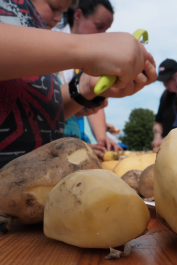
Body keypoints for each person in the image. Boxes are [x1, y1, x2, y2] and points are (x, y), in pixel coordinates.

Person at [0, 0, 157, 168]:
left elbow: (34, 111)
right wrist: (85, 48)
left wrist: (84, 88)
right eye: (53, 7)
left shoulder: (35, 21)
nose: (59, 19)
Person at [54, 0, 121, 159]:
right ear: (77, 15)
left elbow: (90, 97)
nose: (103, 34)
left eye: (106, 29)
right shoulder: (54, 45)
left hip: (71, 141)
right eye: (99, 26)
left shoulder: (88, 61)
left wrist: (102, 139)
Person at [152, 59, 177, 149]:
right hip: (168, 148)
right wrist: (157, 136)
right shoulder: (165, 96)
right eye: (163, 81)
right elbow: (158, 122)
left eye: (168, 80)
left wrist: (171, 138)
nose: (165, 84)